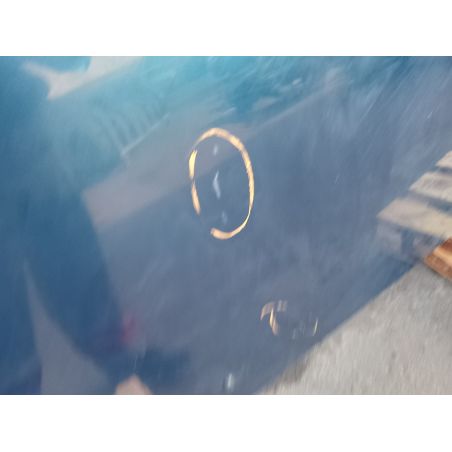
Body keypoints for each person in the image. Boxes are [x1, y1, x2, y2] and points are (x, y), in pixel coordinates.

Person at [0, 57, 187, 394]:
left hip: (21, 137)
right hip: (22, 137)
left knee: (74, 265)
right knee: (15, 312)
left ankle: (123, 366)